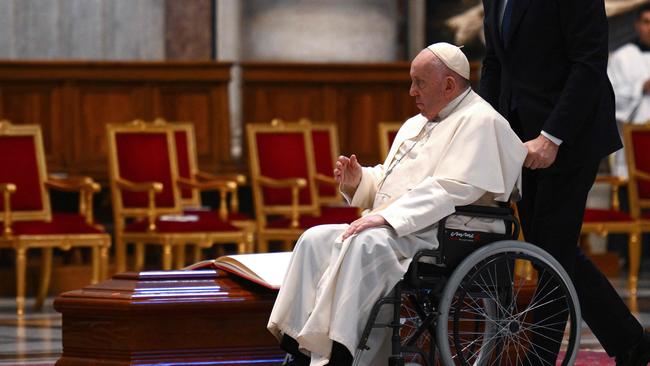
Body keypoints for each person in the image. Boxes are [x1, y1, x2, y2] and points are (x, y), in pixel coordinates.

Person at [267, 42, 527, 366]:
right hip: (409, 225)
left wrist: (387, 218)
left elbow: (450, 189)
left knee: (365, 242)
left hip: (451, 229)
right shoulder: (415, 124)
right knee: (315, 239)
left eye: (419, 82)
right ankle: (300, 347)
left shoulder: (482, 122)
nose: (411, 91)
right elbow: (394, 181)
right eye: (412, 81)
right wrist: (360, 181)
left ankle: (342, 353)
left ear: (448, 85)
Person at [479, 0, 650, 365]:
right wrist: (484, 132)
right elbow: (495, 63)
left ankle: (539, 358)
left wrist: (552, 136)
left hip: (572, 135)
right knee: (548, 249)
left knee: (552, 251)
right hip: (518, 137)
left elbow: (588, 64)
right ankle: (631, 341)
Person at [608, 3, 650, 177]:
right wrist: (641, 88)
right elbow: (611, 99)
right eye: (646, 22)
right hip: (632, 150)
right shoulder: (622, 57)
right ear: (637, 25)